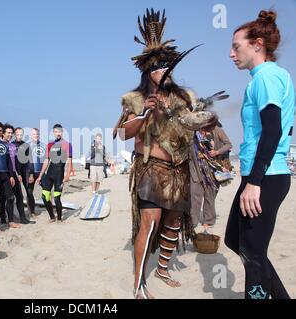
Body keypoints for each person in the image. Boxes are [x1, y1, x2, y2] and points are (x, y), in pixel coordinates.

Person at [113, 9, 219, 299]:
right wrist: (146, 112)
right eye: (160, 68)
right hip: (152, 169)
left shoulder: (186, 98)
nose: (167, 72)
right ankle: (138, 284)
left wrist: (208, 118)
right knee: (150, 224)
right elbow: (123, 133)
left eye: (169, 66)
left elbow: (197, 122)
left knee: (173, 222)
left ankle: (161, 268)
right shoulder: (134, 99)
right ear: (149, 72)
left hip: (180, 169)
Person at [225, 10, 294, 299]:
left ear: (257, 45)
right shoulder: (264, 78)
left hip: (265, 176)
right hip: (260, 174)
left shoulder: (266, 77)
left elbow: (273, 131)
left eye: (236, 46)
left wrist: (254, 182)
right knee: (235, 240)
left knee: (252, 252)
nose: (231, 54)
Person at [189, 127, 230, 233]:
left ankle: (209, 220)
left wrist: (217, 152)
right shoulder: (192, 130)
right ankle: (193, 222)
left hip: (213, 170)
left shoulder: (216, 129)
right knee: (195, 197)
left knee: (210, 197)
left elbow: (228, 144)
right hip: (196, 169)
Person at [36, 124, 73, 223]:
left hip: (59, 175)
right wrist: (40, 176)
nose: (58, 133)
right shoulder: (50, 145)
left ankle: (60, 219)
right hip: (49, 174)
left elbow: (69, 161)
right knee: (45, 197)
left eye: (59, 131)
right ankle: (52, 217)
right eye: (56, 132)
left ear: (62, 132)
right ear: (53, 132)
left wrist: (67, 175)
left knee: (57, 199)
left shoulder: (67, 144)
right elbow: (46, 161)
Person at [3, 124, 32, 224]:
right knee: (8, 198)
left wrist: (18, 173)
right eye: (8, 133)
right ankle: (9, 220)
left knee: (19, 196)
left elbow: (15, 161)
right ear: (3, 133)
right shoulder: (1, 145)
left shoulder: (12, 146)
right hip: (5, 174)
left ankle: (23, 218)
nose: (10, 135)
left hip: (14, 173)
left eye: (11, 133)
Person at [26, 128, 47, 217]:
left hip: (41, 172)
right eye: (34, 134)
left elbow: (46, 160)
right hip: (30, 173)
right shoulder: (27, 146)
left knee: (47, 190)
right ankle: (32, 211)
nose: (36, 136)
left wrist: (42, 174)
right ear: (31, 135)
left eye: (37, 134)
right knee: (29, 192)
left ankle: (49, 207)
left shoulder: (43, 145)